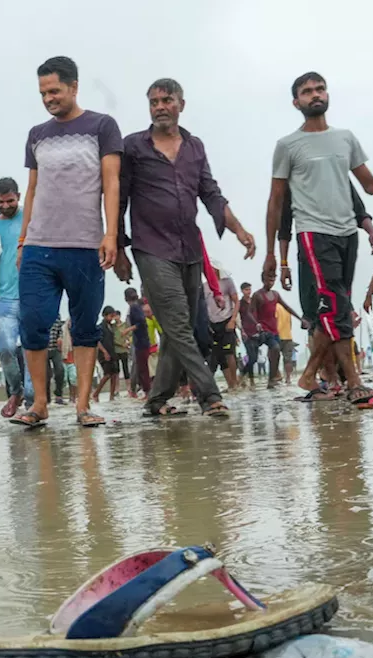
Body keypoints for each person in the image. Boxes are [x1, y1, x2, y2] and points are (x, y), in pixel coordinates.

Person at [118, 78, 256, 417]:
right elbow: (117, 198)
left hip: (190, 248)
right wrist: (117, 246)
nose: (160, 107)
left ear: (181, 104)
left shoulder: (195, 147)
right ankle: (209, 395)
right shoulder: (134, 146)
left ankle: (155, 400)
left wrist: (238, 229)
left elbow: (210, 192)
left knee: (181, 330)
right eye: (154, 102)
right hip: (151, 248)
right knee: (179, 324)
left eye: (167, 100)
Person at [264, 71, 373, 404]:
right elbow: (277, 202)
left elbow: (370, 185)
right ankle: (353, 381)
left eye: (320, 89)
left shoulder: (345, 138)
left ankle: (308, 376)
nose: (315, 95)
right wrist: (274, 255)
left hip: (347, 234)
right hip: (313, 235)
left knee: (337, 310)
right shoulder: (288, 146)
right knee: (336, 309)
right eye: (307, 92)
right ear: (296, 102)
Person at [12, 56, 122, 428]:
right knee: (33, 321)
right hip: (40, 246)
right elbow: (31, 189)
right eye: (43, 93)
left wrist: (110, 234)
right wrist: (23, 240)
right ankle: (39, 404)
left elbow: (111, 182)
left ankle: (83, 405)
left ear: (74, 87)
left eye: (54, 91)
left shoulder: (102, 126)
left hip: (85, 245)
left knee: (85, 325)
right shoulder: (37, 134)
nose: (48, 99)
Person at [0, 177, 35, 418]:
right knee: (6, 348)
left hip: (33, 293)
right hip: (5, 297)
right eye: (0, 202)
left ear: (19, 197)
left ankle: (33, 403)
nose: (5, 206)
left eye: (10, 201)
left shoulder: (31, 217)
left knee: (32, 348)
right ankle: (15, 391)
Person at [250, 269, 301, 386]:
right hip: (263, 330)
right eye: (269, 280)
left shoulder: (276, 295)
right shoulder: (257, 295)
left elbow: (287, 307)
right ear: (263, 280)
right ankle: (251, 376)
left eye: (273, 280)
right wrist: (256, 323)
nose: (271, 283)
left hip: (274, 331)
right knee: (269, 350)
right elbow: (250, 312)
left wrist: (300, 318)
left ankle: (271, 379)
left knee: (275, 353)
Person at [203, 270, 240, 391]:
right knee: (219, 356)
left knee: (229, 352)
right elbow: (204, 305)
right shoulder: (205, 286)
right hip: (212, 323)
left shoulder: (227, 282)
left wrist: (233, 320)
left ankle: (234, 383)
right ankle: (229, 384)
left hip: (227, 320)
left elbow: (236, 301)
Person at [124, 289, 152, 396]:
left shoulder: (134, 307)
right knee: (142, 367)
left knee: (142, 368)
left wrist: (128, 329)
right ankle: (145, 391)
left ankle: (147, 392)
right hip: (142, 340)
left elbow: (141, 323)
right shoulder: (138, 306)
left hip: (141, 341)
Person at [93, 307, 122, 401]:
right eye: (110, 316)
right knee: (107, 374)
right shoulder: (100, 327)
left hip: (112, 352)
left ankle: (112, 395)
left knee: (114, 373)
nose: (112, 318)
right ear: (104, 315)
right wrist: (104, 352)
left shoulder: (111, 327)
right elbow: (98, 341)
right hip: (103, 353)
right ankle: (96, 393)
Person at [46, 317, 69, 405]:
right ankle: (46, 397)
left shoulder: (56, 315)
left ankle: (59, 395)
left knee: (60, 370)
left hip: (56, 348)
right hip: (44, 349)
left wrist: (60, 337)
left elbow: (60, 330)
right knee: (46, 374)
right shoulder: (40, 313)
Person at [277, 301, 299, 385]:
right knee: (288, 359)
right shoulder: (287, 310)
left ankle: (276, 376)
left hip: (277, 336)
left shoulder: (275, 308)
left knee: (274, 357)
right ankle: (288, 378)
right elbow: (290, 324)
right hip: (288, 336)